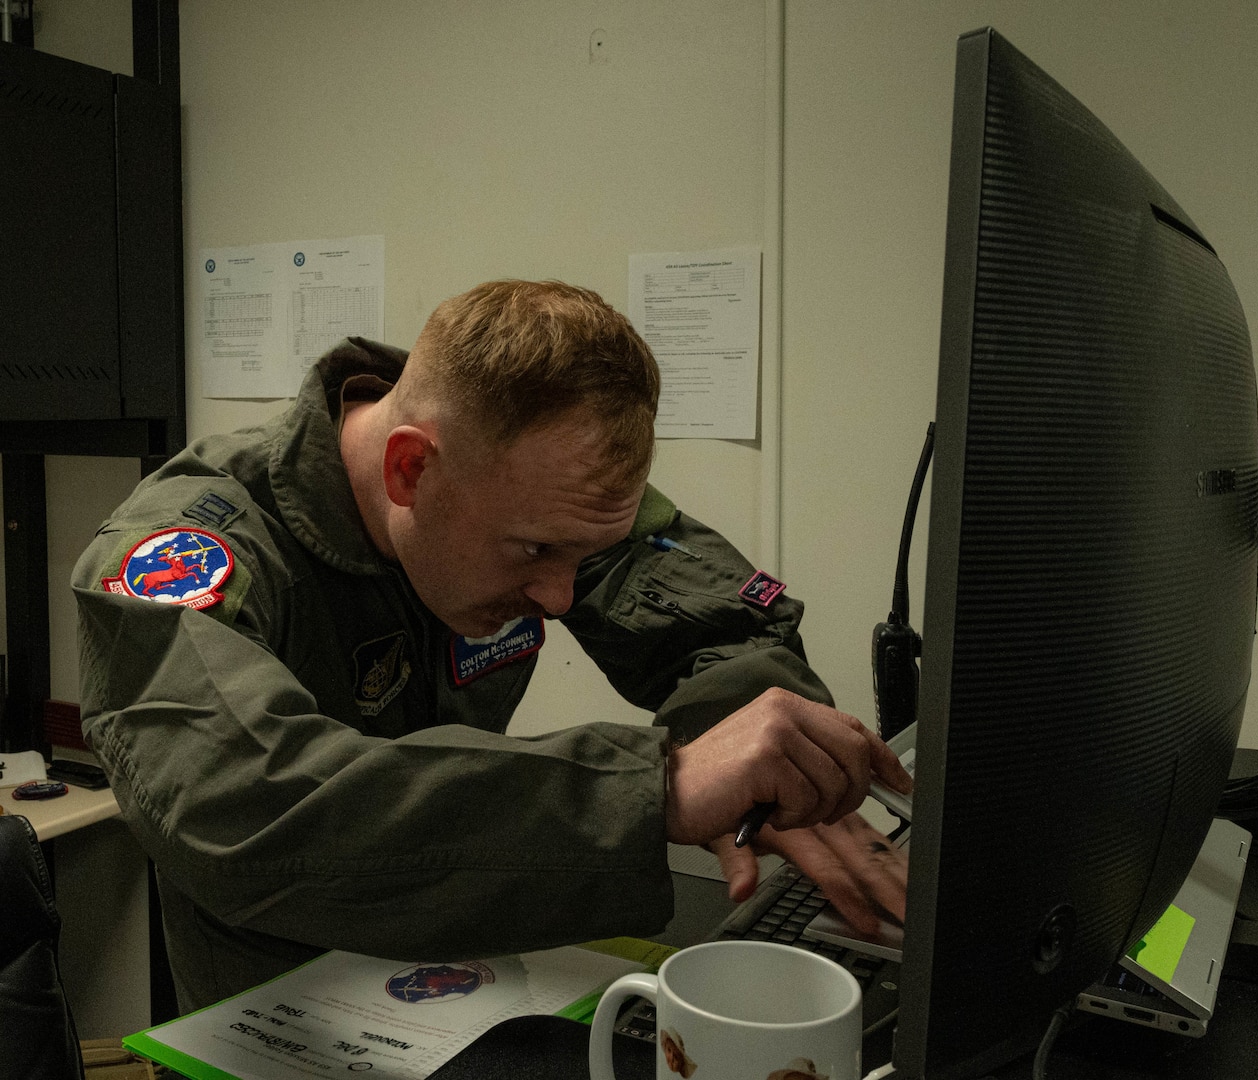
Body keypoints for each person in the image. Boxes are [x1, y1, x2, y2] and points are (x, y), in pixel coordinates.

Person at [73, 279, 912, 1012]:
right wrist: (658, 787)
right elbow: (242, 803)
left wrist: (749, 764)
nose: (556, 596)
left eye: (578, 558)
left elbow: (724, 623)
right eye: (533, 555)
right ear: (409, 470)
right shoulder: (182, 548)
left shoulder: (538, 494)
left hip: (472, 977)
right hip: (281, 1014)